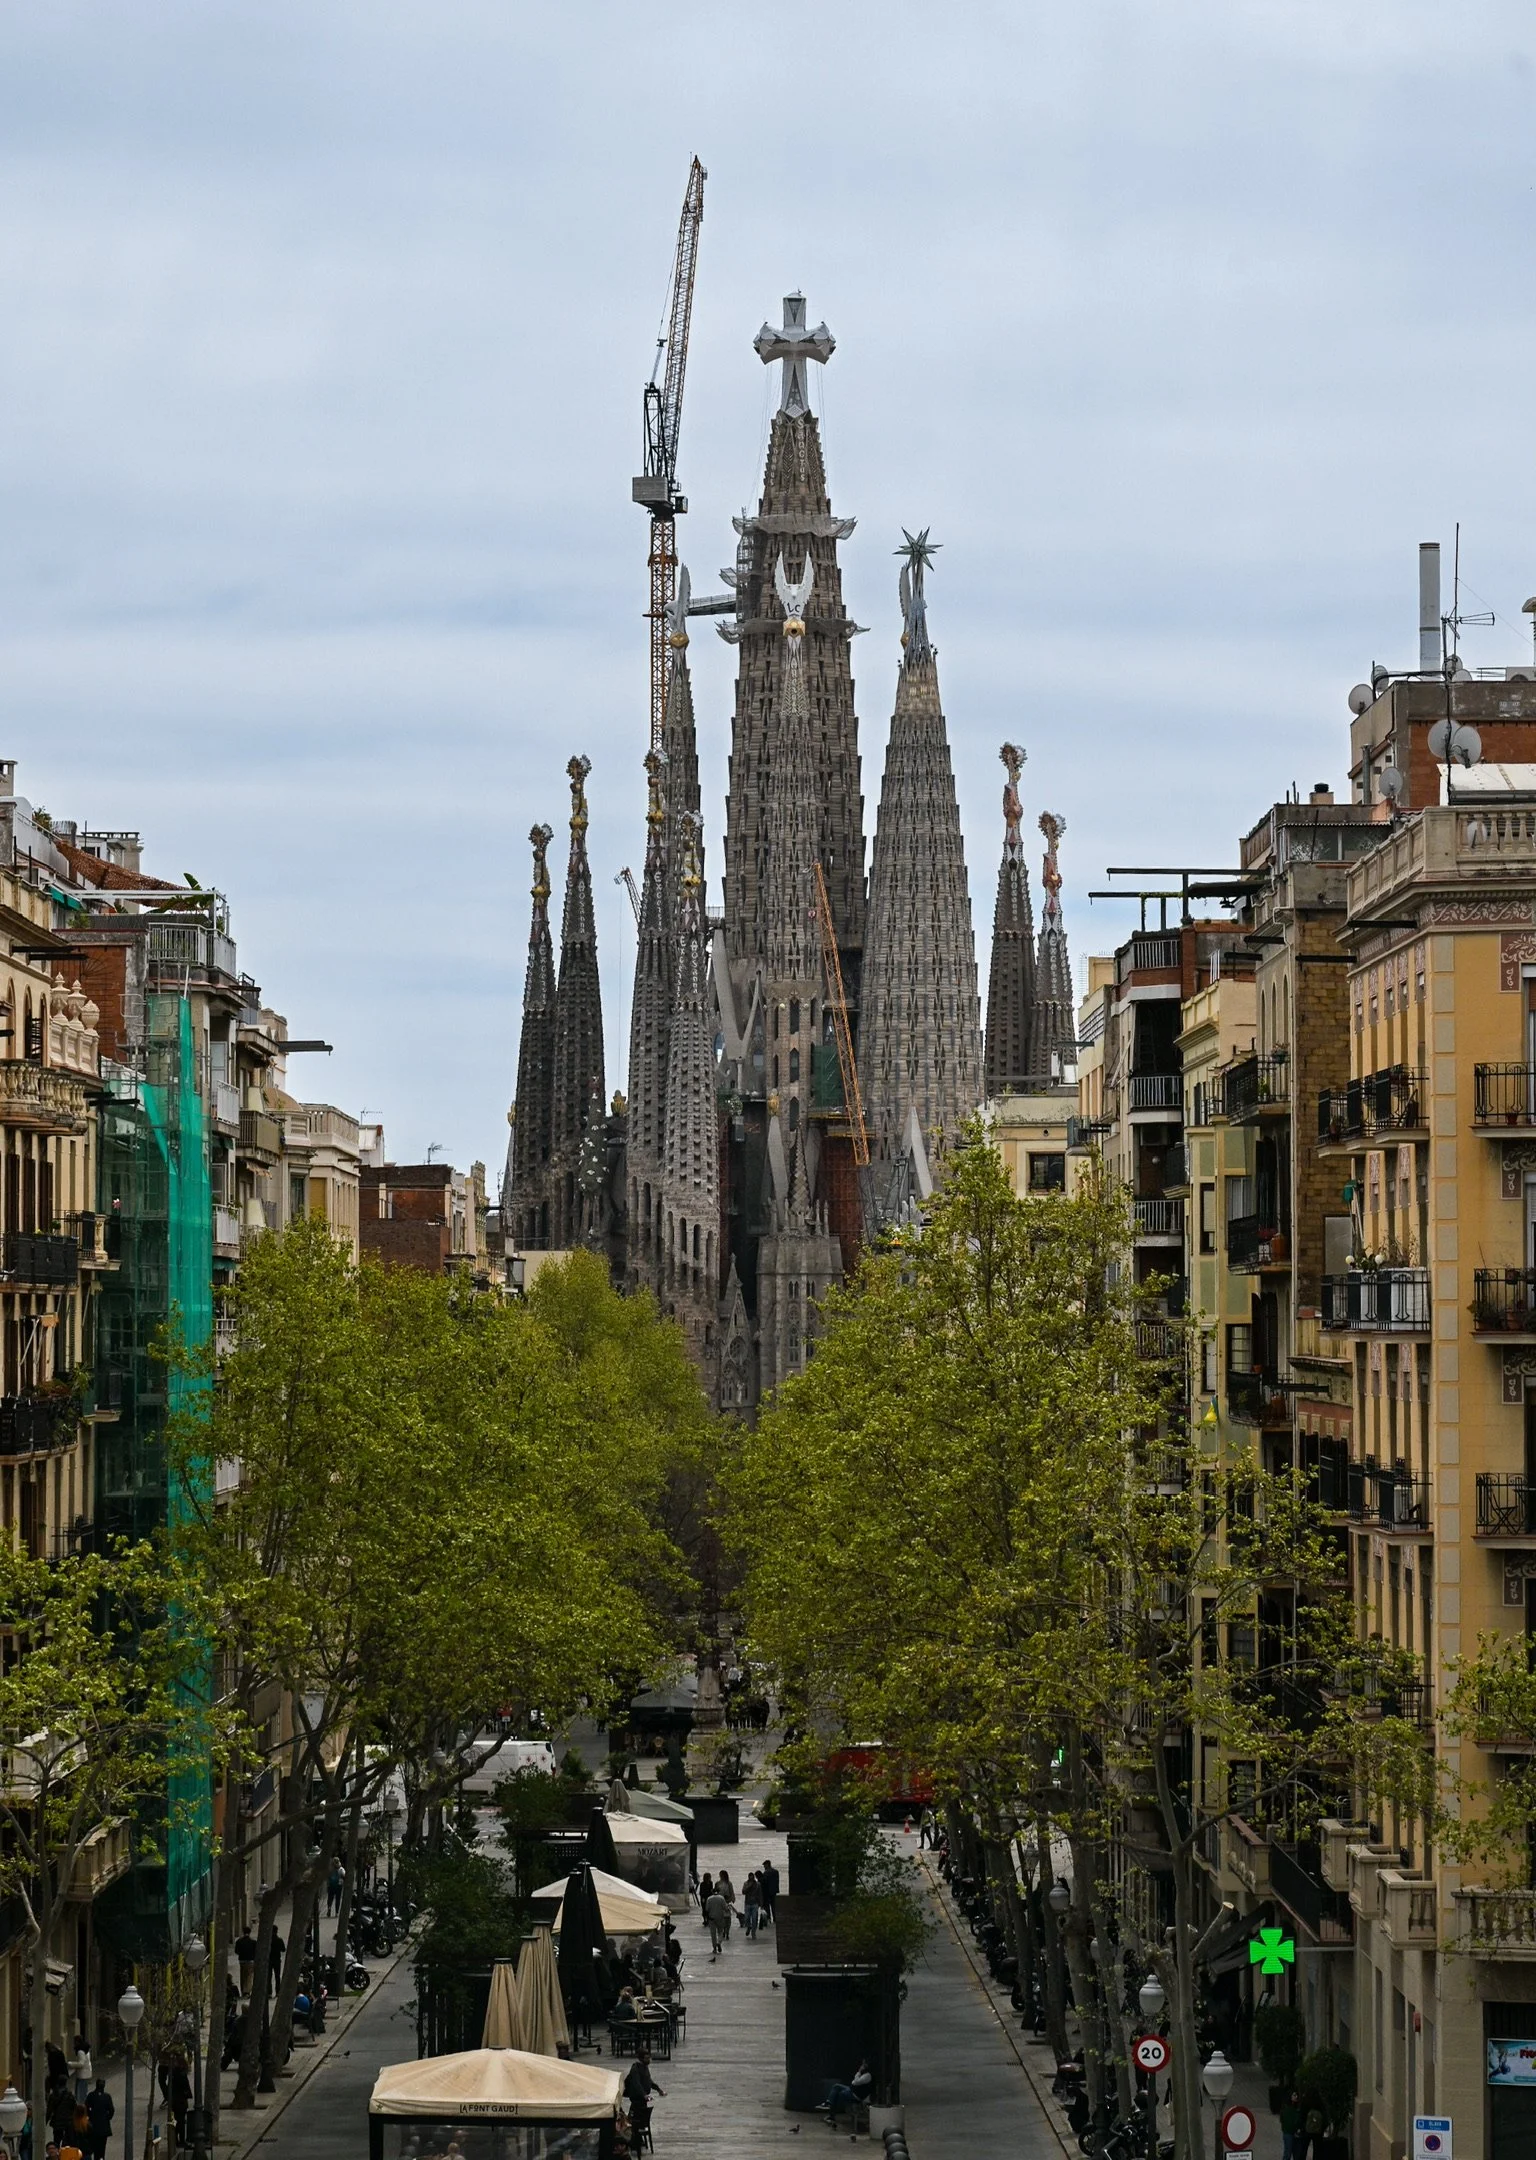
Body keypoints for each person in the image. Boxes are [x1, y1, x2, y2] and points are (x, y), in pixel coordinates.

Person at [816, 2061, 873, 2129]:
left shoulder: (867, 2076)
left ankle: (832, 2115)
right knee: (836, 2086)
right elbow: (854, 2082)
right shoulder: (863, 2074)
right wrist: (857, 2077)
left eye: (862, 2066)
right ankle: (828, 2102)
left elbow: (855, 2082)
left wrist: (858, 2072)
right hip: (852, 2090)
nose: (861, 2067)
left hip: (856, 2095)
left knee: (840, 2094)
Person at [83, 2083, 113, 2160]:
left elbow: (86, 2107)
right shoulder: (107, 2096)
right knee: (102, 2148)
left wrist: (90, 2116)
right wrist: (107, 2118)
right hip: (104, 2127)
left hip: (93, 2126)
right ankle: (100, 2158)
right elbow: (111, 2110)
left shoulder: (91, 2095)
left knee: (93, 2146)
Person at [704, 1884, 730, 1959]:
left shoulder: (709, 1899)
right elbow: (725, 1908)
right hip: (720, 1917)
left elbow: (707, 1909)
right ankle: (719, 1942)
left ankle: (714, 1947)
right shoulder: (721, 1898)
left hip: (711, 1917)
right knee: (720, 1931)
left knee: (713, 1933)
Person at [1279, 2091, 1304, 2160]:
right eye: (1294, 2095)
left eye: (1297, 2095)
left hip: (1295, 2133)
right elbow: (1285, 2121)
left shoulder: (1297, 2108)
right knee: (1288, 2153)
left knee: (1296, 2154)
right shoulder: (1287, 2108)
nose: (1296, 2097)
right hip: (1289, 2133)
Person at [234, 1927, 258, 1998]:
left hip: (242, 1960)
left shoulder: (239, 1941)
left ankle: (243, 1990)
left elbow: (236, 1951)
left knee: (243, 1975)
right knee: (249, 1976)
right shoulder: (253, 1942)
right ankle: (247, 1991)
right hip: (250, 1960)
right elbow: (256, 1951)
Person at [758, 1859, 779, 1923]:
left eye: (764, 1865)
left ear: (767, 1864)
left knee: (767, 1906)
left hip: (767, 1892)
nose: (764, 1867)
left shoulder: (766, 1872)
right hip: (774, 1891)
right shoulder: (776, 1871)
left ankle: (768, 1918)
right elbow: (777, 1881)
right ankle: (775, 1919)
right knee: (774, 1906)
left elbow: (764, 1882)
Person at [71, 2039, 91, 2107]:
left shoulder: (80, 2052)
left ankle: (80, 2107)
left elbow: (81, 2064)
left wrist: (70, 2064)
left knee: (79, 2093)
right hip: (86, 2074)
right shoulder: (86, 2051)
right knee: (83, 2091)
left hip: (82, 2074)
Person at [716, 1870, 736, 1936]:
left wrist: (732, 1898)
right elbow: (715, 1891)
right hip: (719, 1901)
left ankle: (727, 1931)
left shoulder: (729, 1883)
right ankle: (723, 1930)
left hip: (727, 1901)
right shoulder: (717, 1883)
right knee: (721, 1918)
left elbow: (731, 1891)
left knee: (727, 1917)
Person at [743, 1872, 761, 1940]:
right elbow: (743, 1892)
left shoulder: (758, 1884)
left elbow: (760, 1894)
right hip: (747, 1903)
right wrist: (749, 1886)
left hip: (755, 1903)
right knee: (746, 1918)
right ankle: (748, 1926)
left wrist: (761, 1903)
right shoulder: (746, 1883)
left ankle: (753, 1933)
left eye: (752, 1877)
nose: (751, 1878)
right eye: (750, 1877)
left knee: (754, 1919)